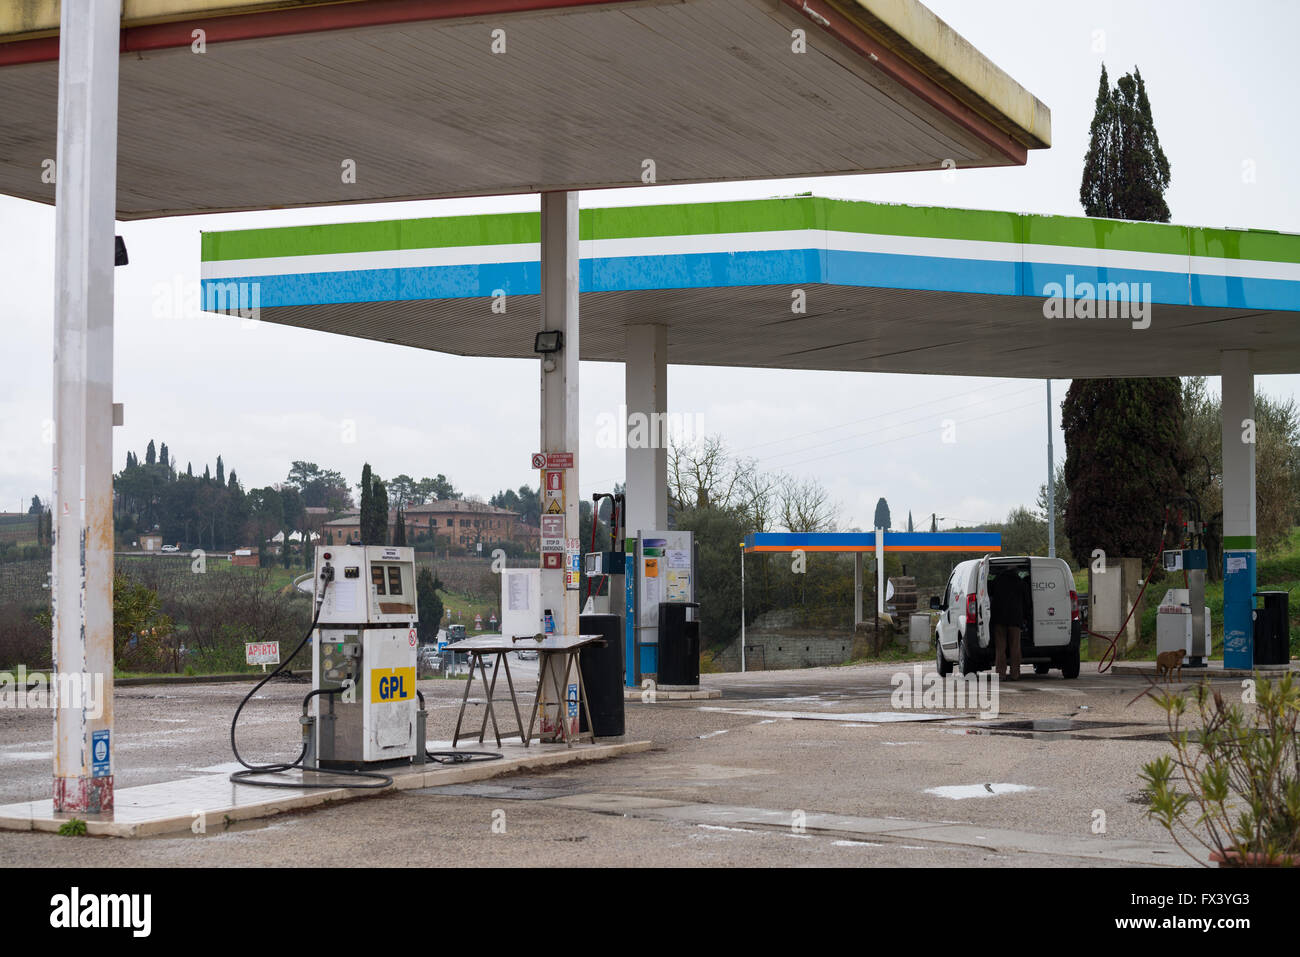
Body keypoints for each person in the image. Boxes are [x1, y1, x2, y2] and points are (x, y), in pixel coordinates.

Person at [989, 569, 1025, 680]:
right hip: (1015, 619)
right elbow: (1026, 599)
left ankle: (1001, 674)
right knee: (1015, 648)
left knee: (1000, 648)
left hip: (999, 619)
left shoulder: (996, 581)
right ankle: (1015, 674)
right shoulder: (1020, 582)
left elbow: (989, 595)